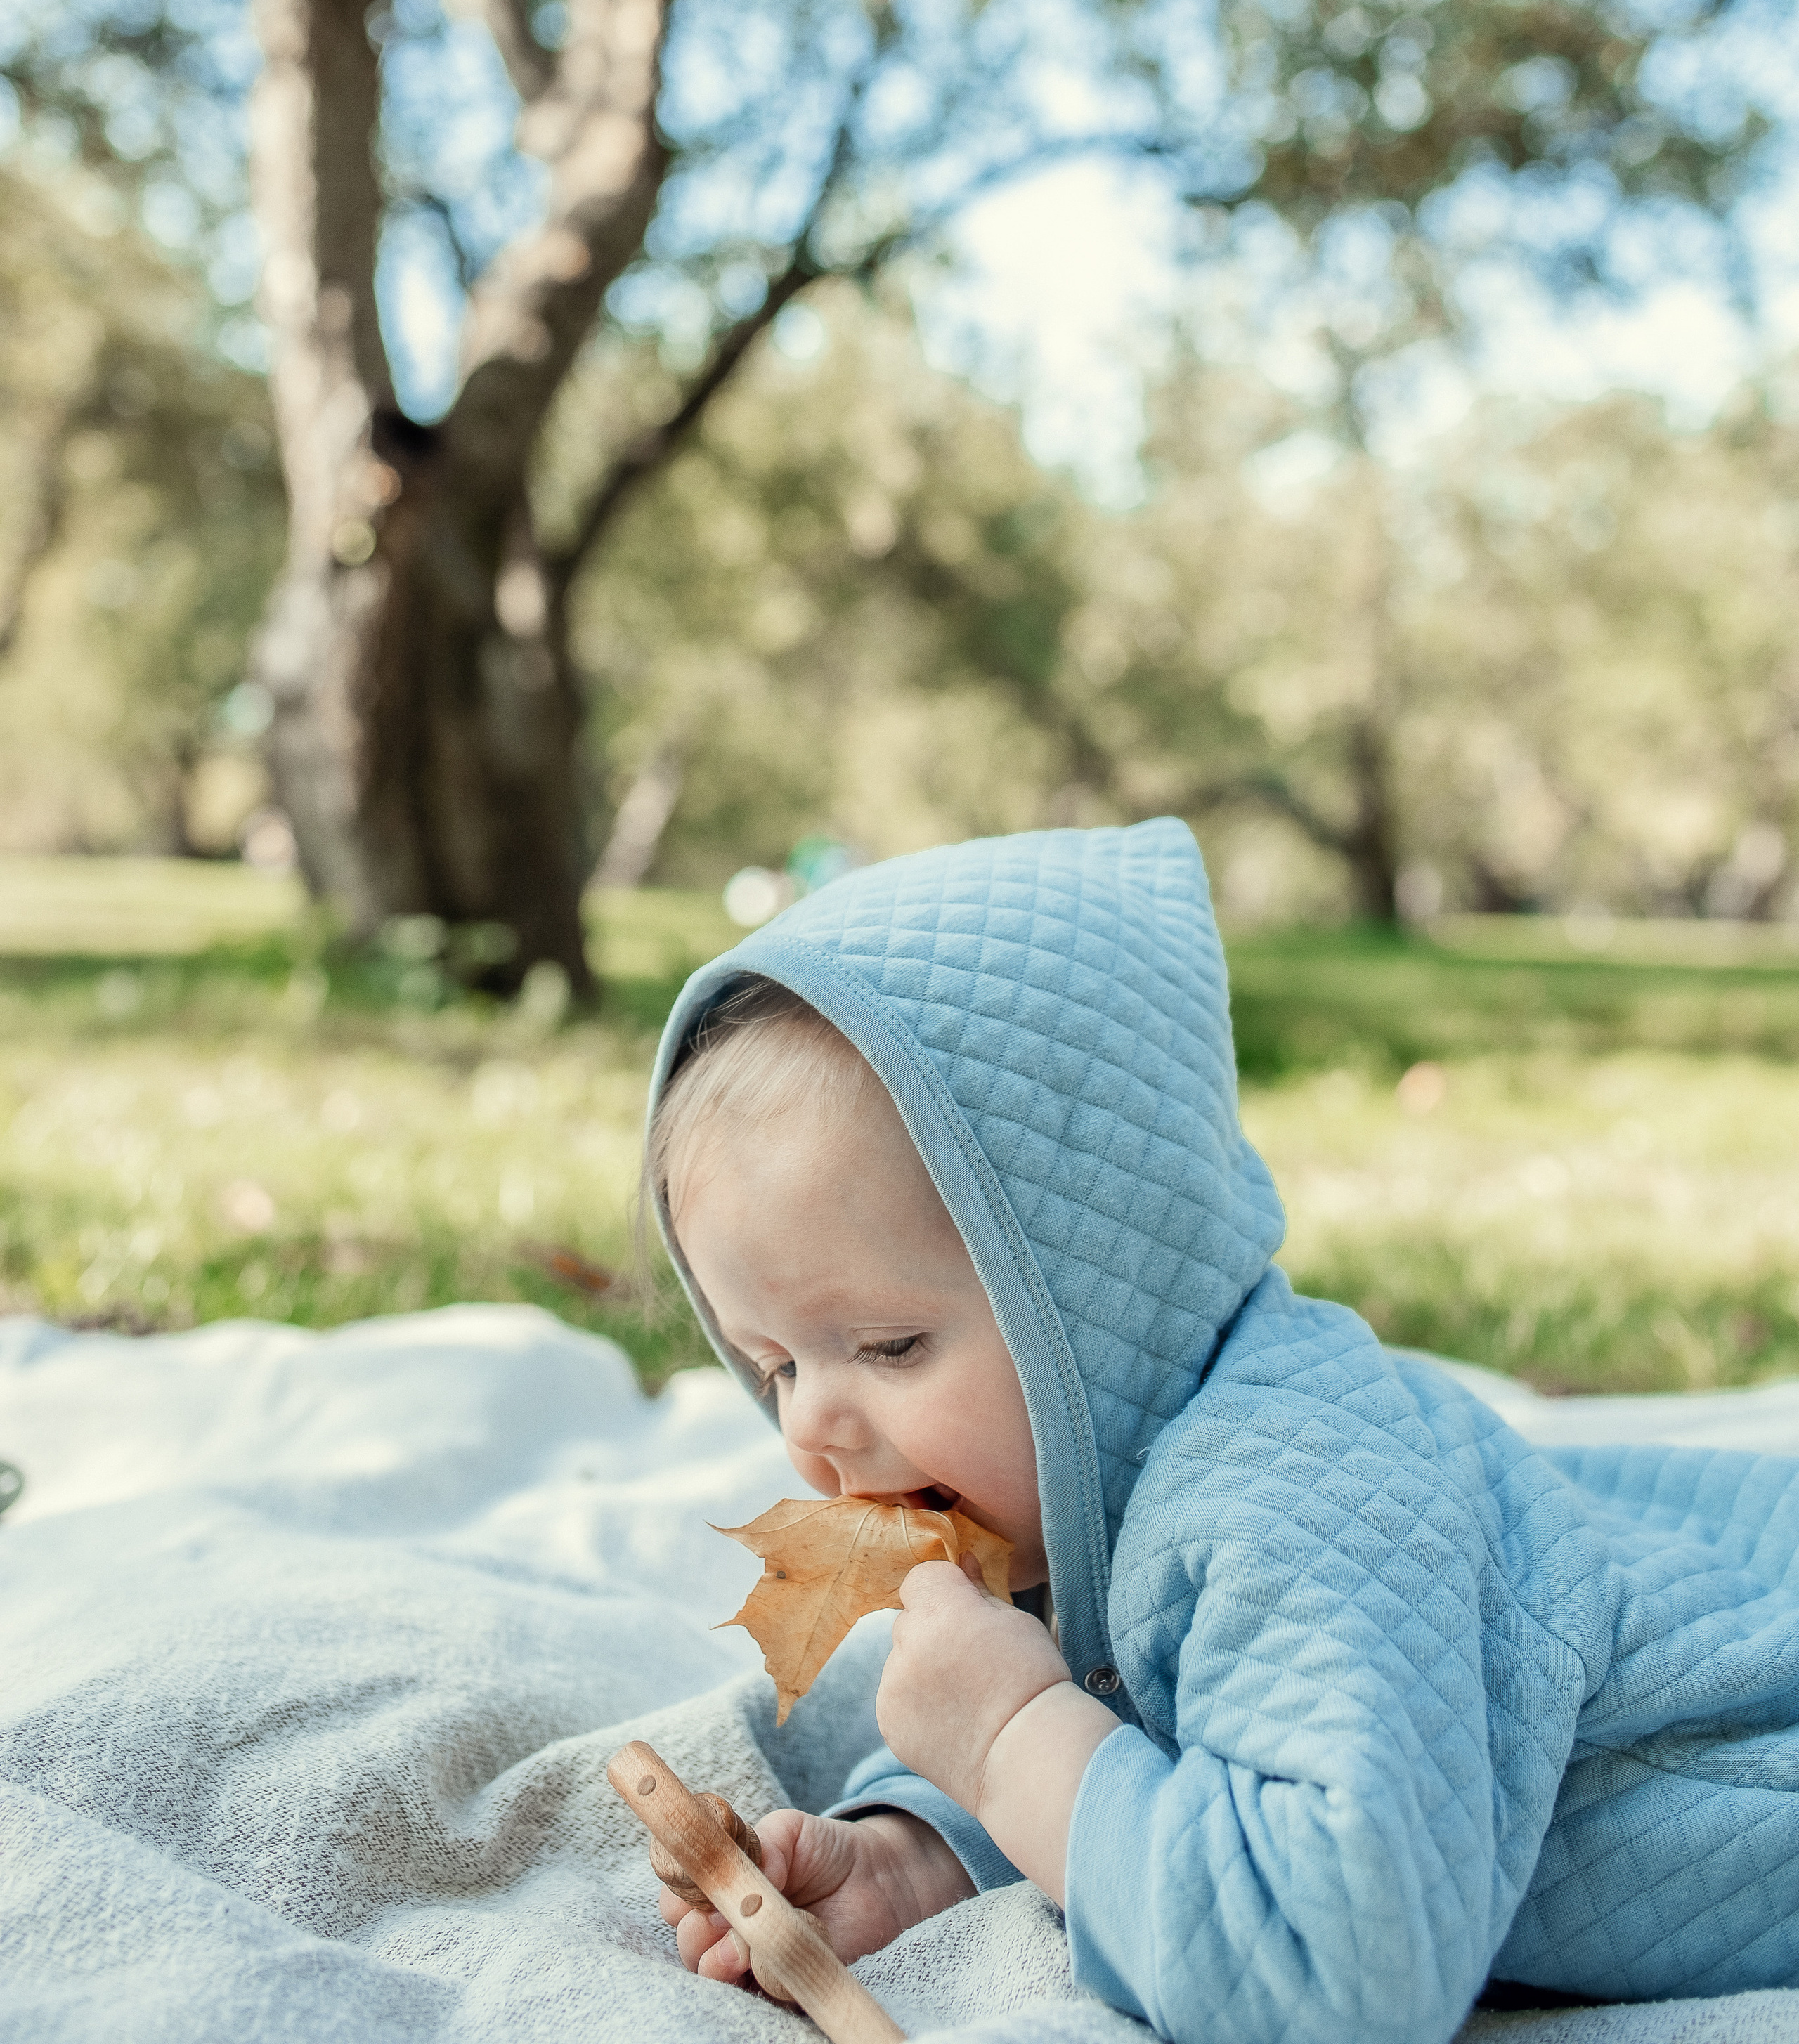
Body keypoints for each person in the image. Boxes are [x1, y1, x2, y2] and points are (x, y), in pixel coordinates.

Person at [640, 819, 1799, 2044]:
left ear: (1100, 1287)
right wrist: (917, 1853)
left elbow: (1336, 1972)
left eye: (889, 1347)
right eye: (771, 1363)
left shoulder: (1288, 1498)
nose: (814, 1424)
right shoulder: (1083, 1490)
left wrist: (1009, 1741)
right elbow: (1155, 1725)